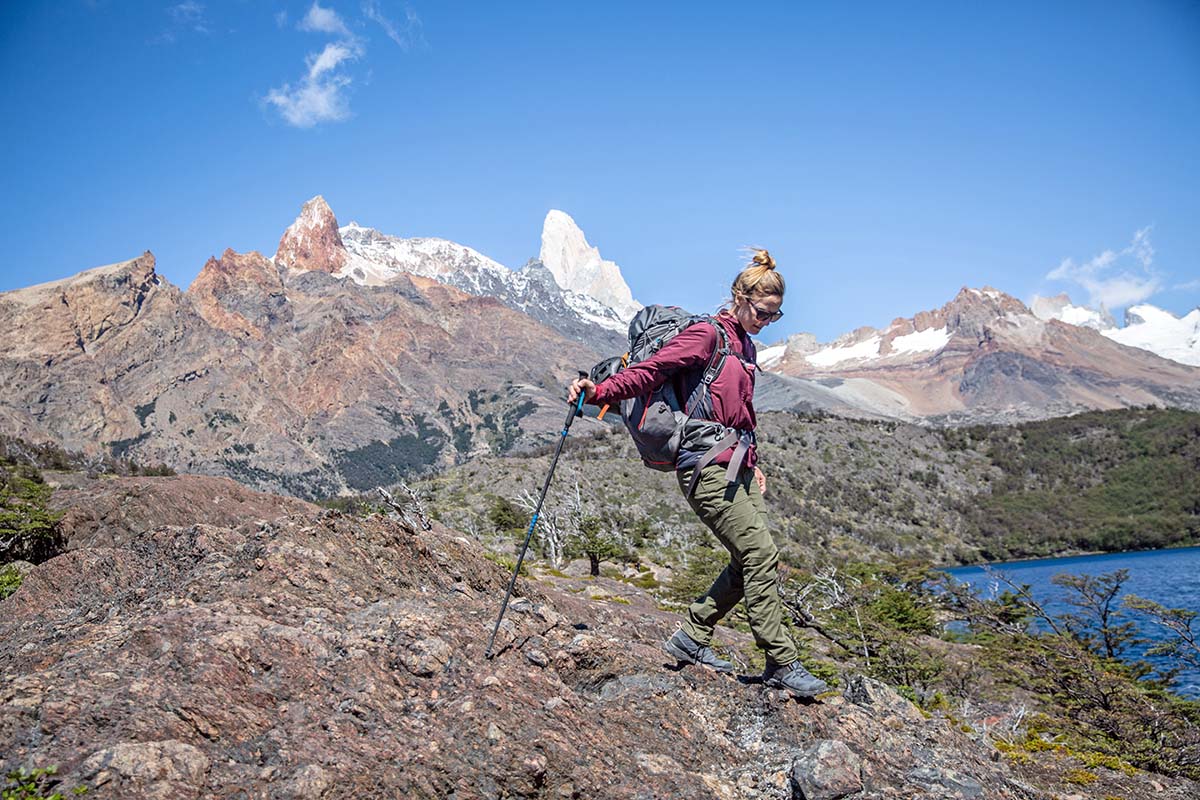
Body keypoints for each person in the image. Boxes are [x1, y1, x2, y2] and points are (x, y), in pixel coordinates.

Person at [568, 250, 829, 698]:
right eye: (764, 312)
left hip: (737, 464)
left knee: (749, 559)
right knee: (760, 555)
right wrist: (601, 392)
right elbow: (650, 373)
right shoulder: (706, 335)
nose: (769, 321)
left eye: (776, 314)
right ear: (740, 297)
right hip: (704, 466)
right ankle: (781, 661)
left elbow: (740, 412)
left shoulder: (745, 345)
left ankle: (692, 635)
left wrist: (754, 462)